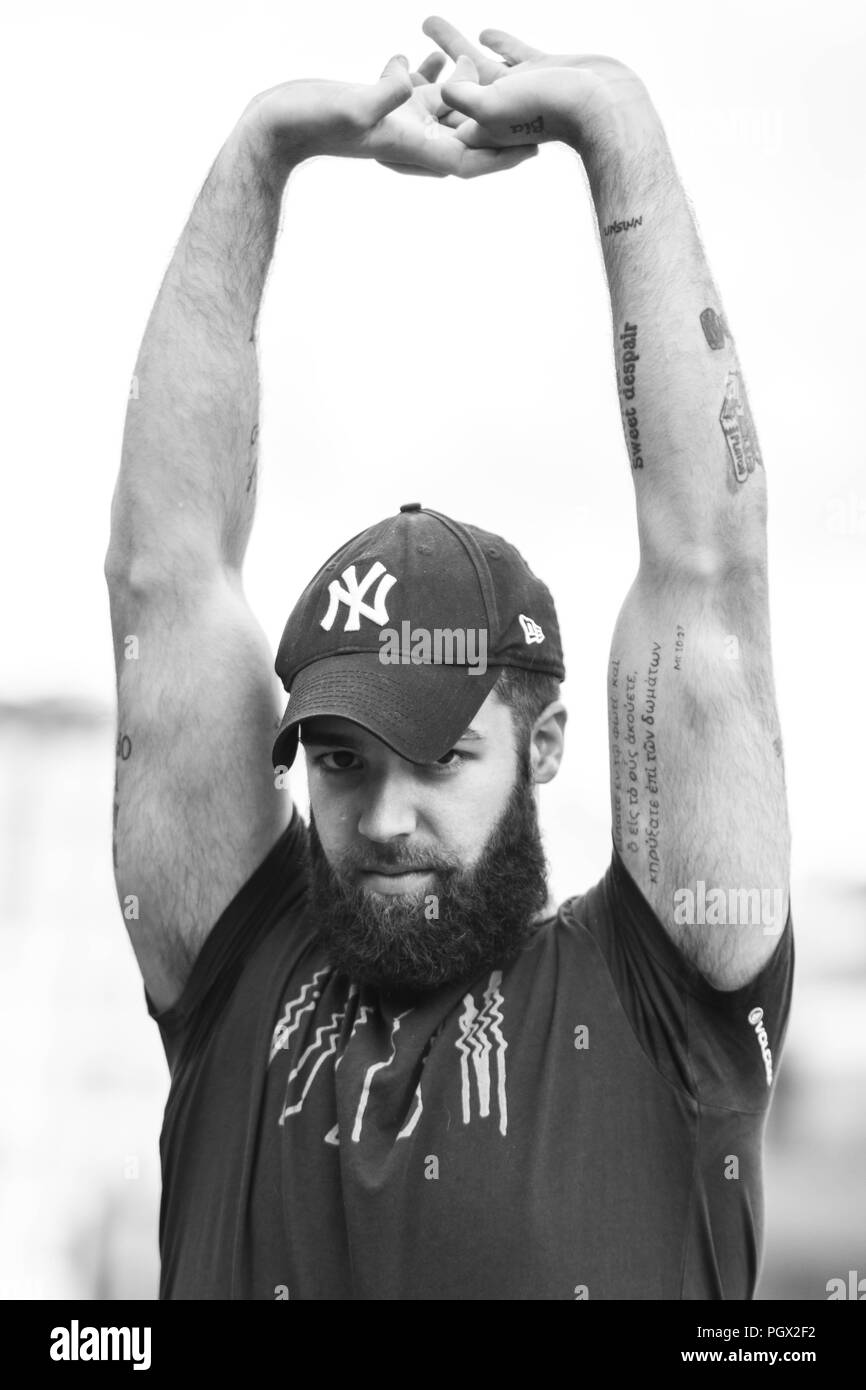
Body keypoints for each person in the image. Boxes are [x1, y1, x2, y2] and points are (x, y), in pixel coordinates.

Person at [105, 16, 793, 1301]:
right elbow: (167, 576)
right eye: (340, 758)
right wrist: (261, 150)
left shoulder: (662, 1009)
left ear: (540, 745)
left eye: (439, 753)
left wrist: (616, 129)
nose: (381, 816)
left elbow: (708, 578)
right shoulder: (234, 981)